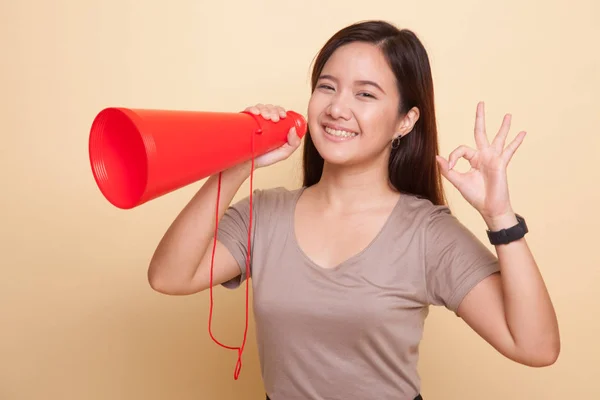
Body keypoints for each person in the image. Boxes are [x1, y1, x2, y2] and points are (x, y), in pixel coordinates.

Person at [147, 20, 560, 400]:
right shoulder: (264, 213)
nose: (337, 108)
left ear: (405, 121)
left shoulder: (427, 233)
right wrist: (237, 163)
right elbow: (168, 276)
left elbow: (536, 347)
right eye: (327, 87)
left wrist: (500, 216)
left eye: (365, 94)